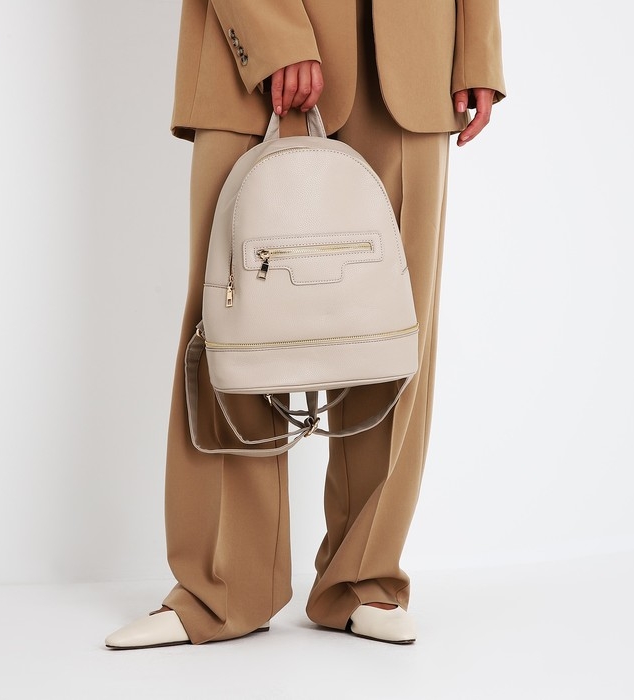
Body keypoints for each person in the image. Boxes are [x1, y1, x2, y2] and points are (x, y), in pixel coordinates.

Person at [106, 0, 505, 649]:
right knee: (233, 322)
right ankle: (222, 587)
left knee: (387, 331)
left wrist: (477, 45)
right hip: (249, 55)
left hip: (414, 49)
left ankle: (363, 576)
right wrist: (272, 32)